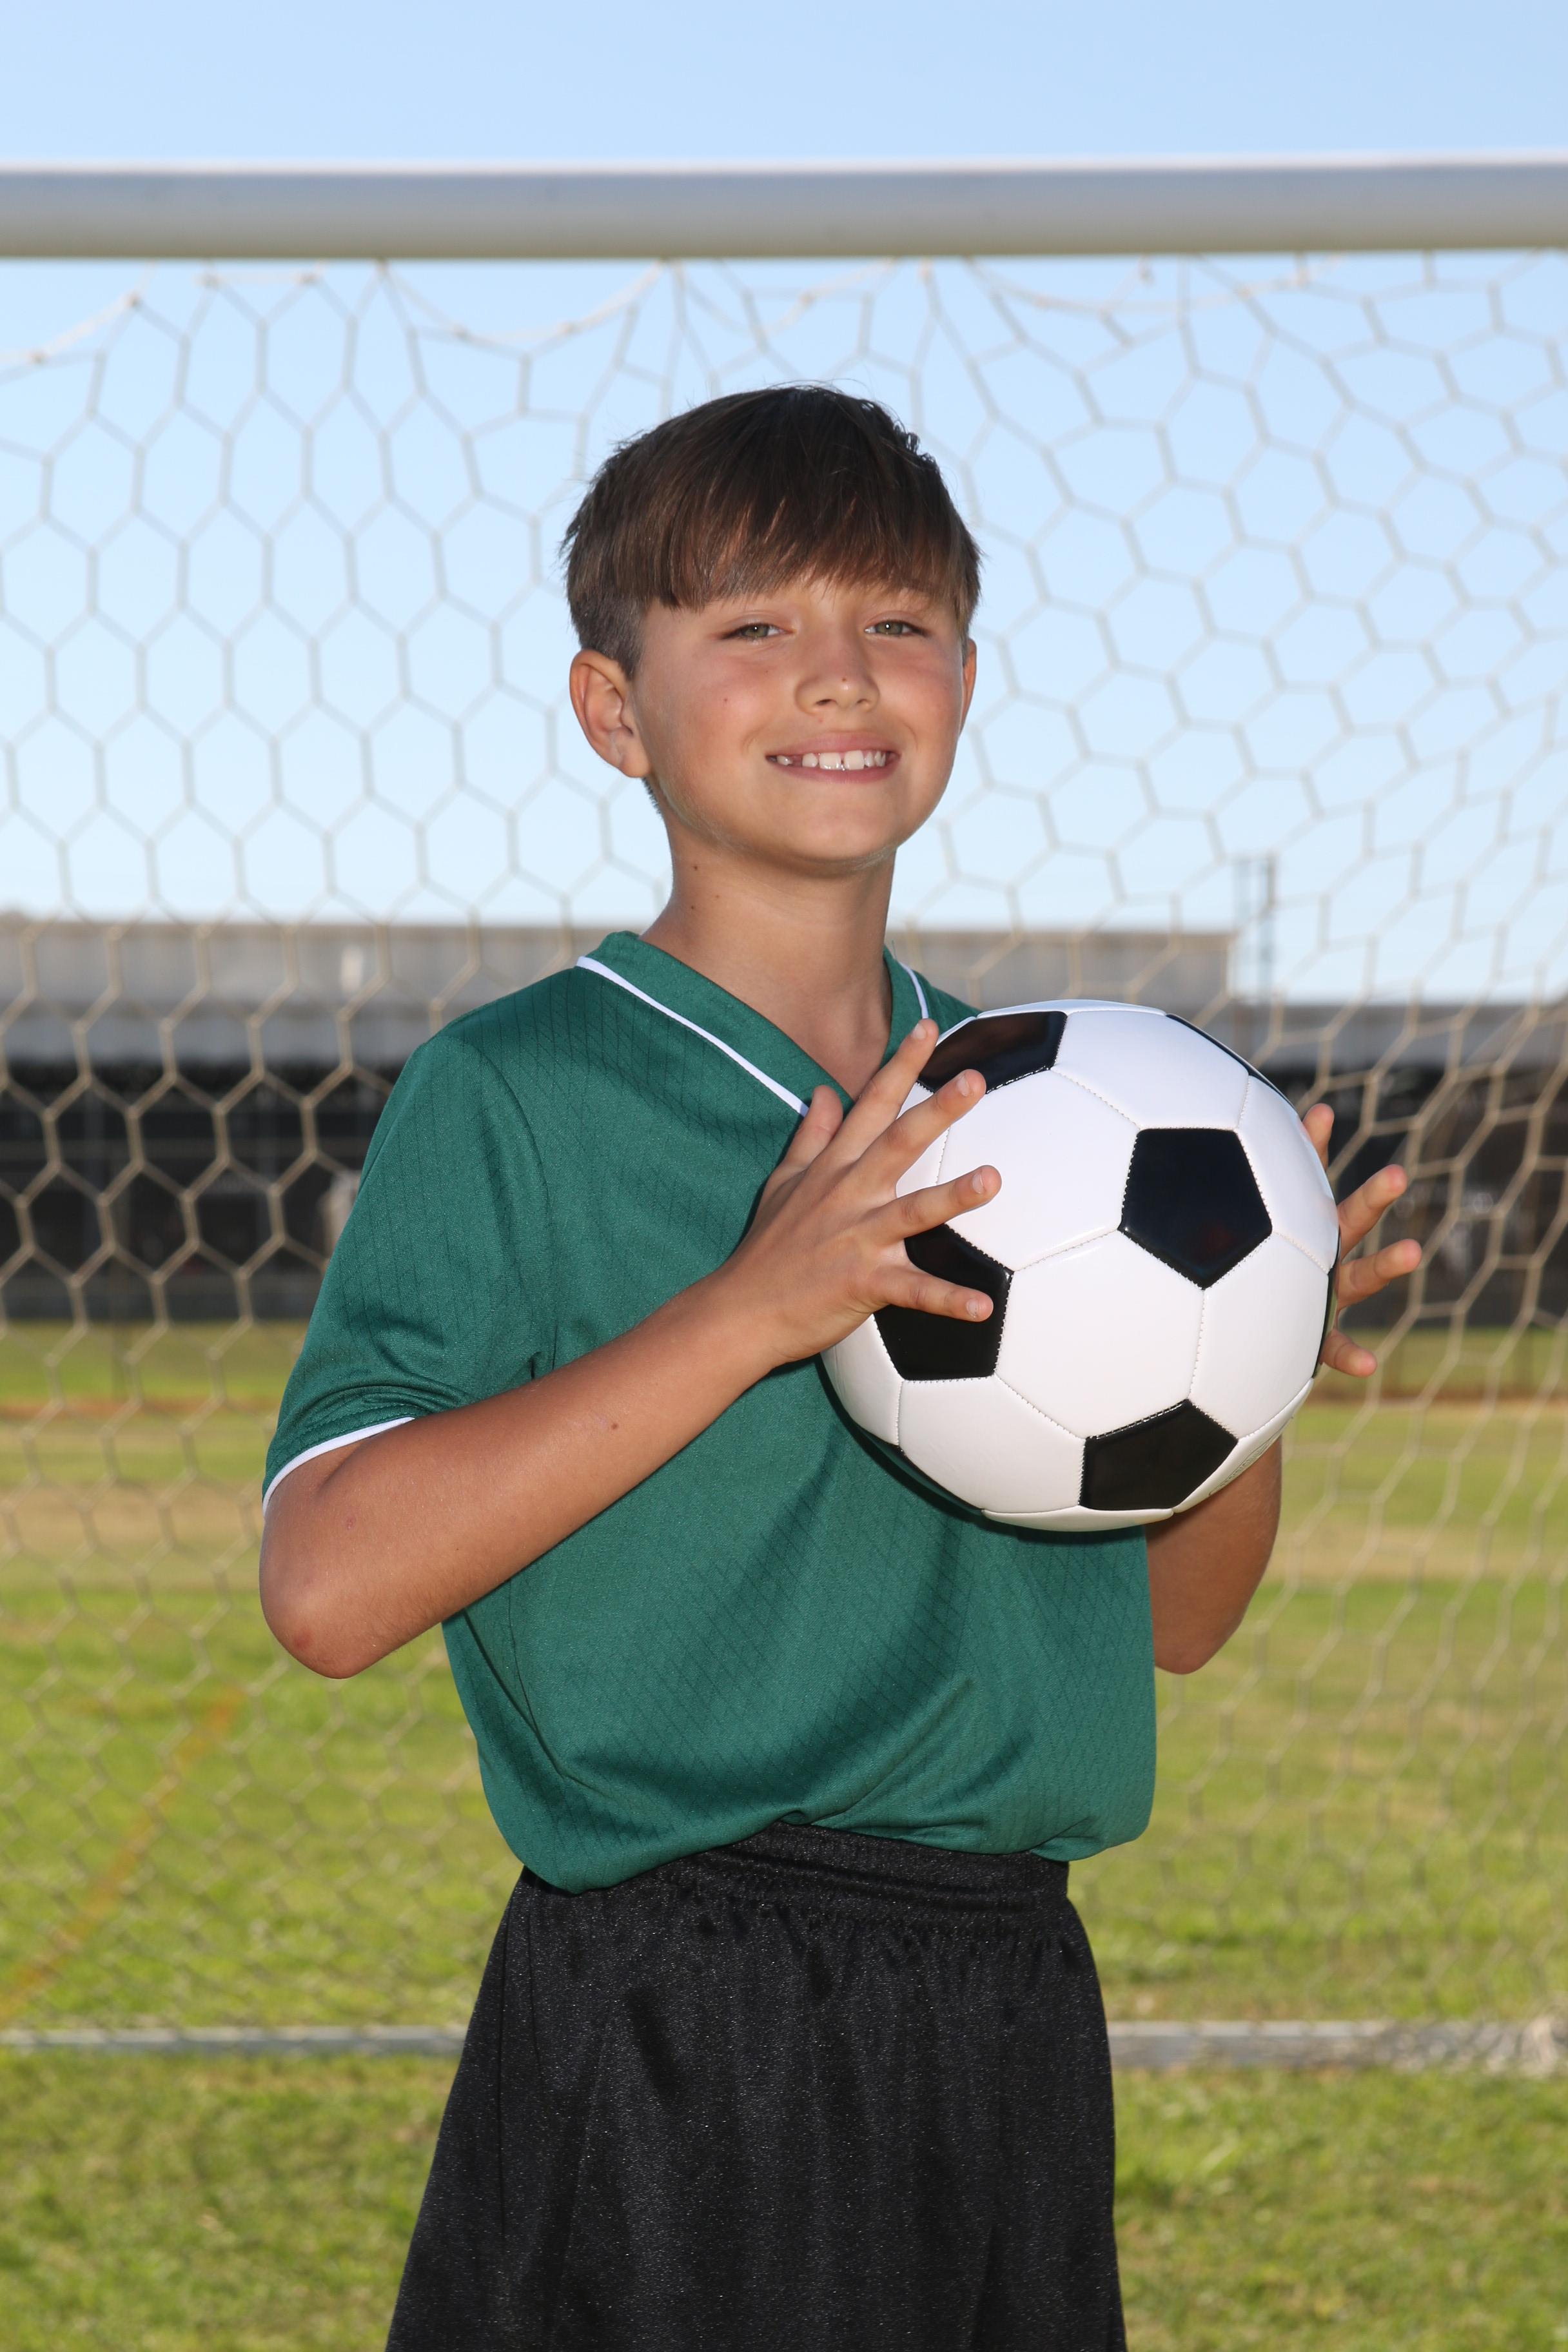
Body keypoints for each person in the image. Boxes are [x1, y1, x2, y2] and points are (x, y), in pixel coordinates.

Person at [259, 386, 1417, 2351]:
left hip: (1006, 2006)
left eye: (898, 622)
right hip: (679, 2021)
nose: (838, 675)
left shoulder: (1065, 1108)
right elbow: (328, 1588)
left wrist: (1245, 1362)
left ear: (965, 677)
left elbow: (1179, 1625)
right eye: (752, 625)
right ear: (615, 710)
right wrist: (752, 1309)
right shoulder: (518, 1092)